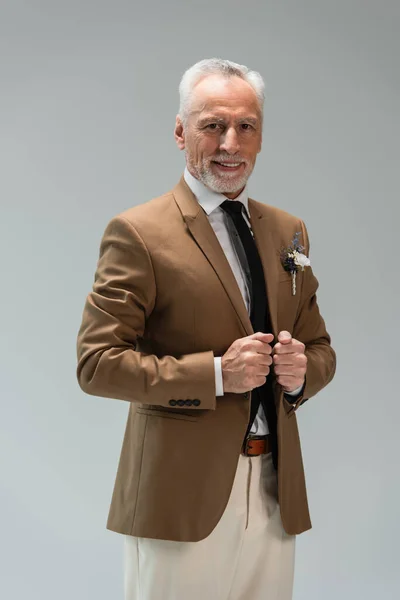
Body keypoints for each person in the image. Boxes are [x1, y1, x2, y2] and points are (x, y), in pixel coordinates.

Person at [76, 57, 336, 600]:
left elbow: (320, 349)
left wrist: (299, 371)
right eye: (212, 125)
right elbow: (96, 365)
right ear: (180, 131)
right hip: (178, 494)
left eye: (246, 127)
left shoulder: (289, 231)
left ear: (261, 135)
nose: (230, 144)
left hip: (274, 491)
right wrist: (217, 374)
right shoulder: (138, 233)